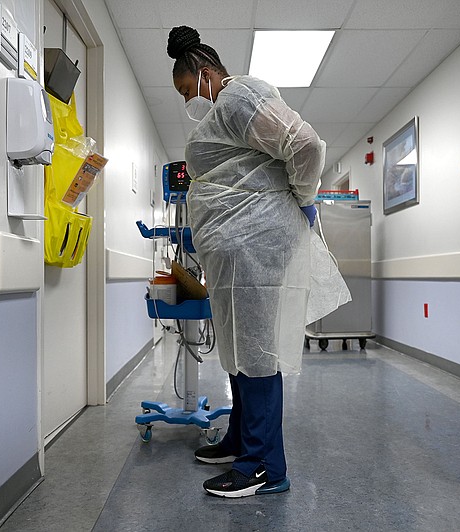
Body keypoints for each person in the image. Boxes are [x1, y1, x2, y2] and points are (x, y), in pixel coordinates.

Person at [166, 25, 351, 498]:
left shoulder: (238, 96)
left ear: (204, 72)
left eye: (188, 90)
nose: (190, 102)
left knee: (256, 353)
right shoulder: (225, 109)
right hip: (238, 250)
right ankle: (239, 440)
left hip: (256, 247)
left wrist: (303, 195)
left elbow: (305, 145)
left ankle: (263, 465)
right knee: (237, 348)